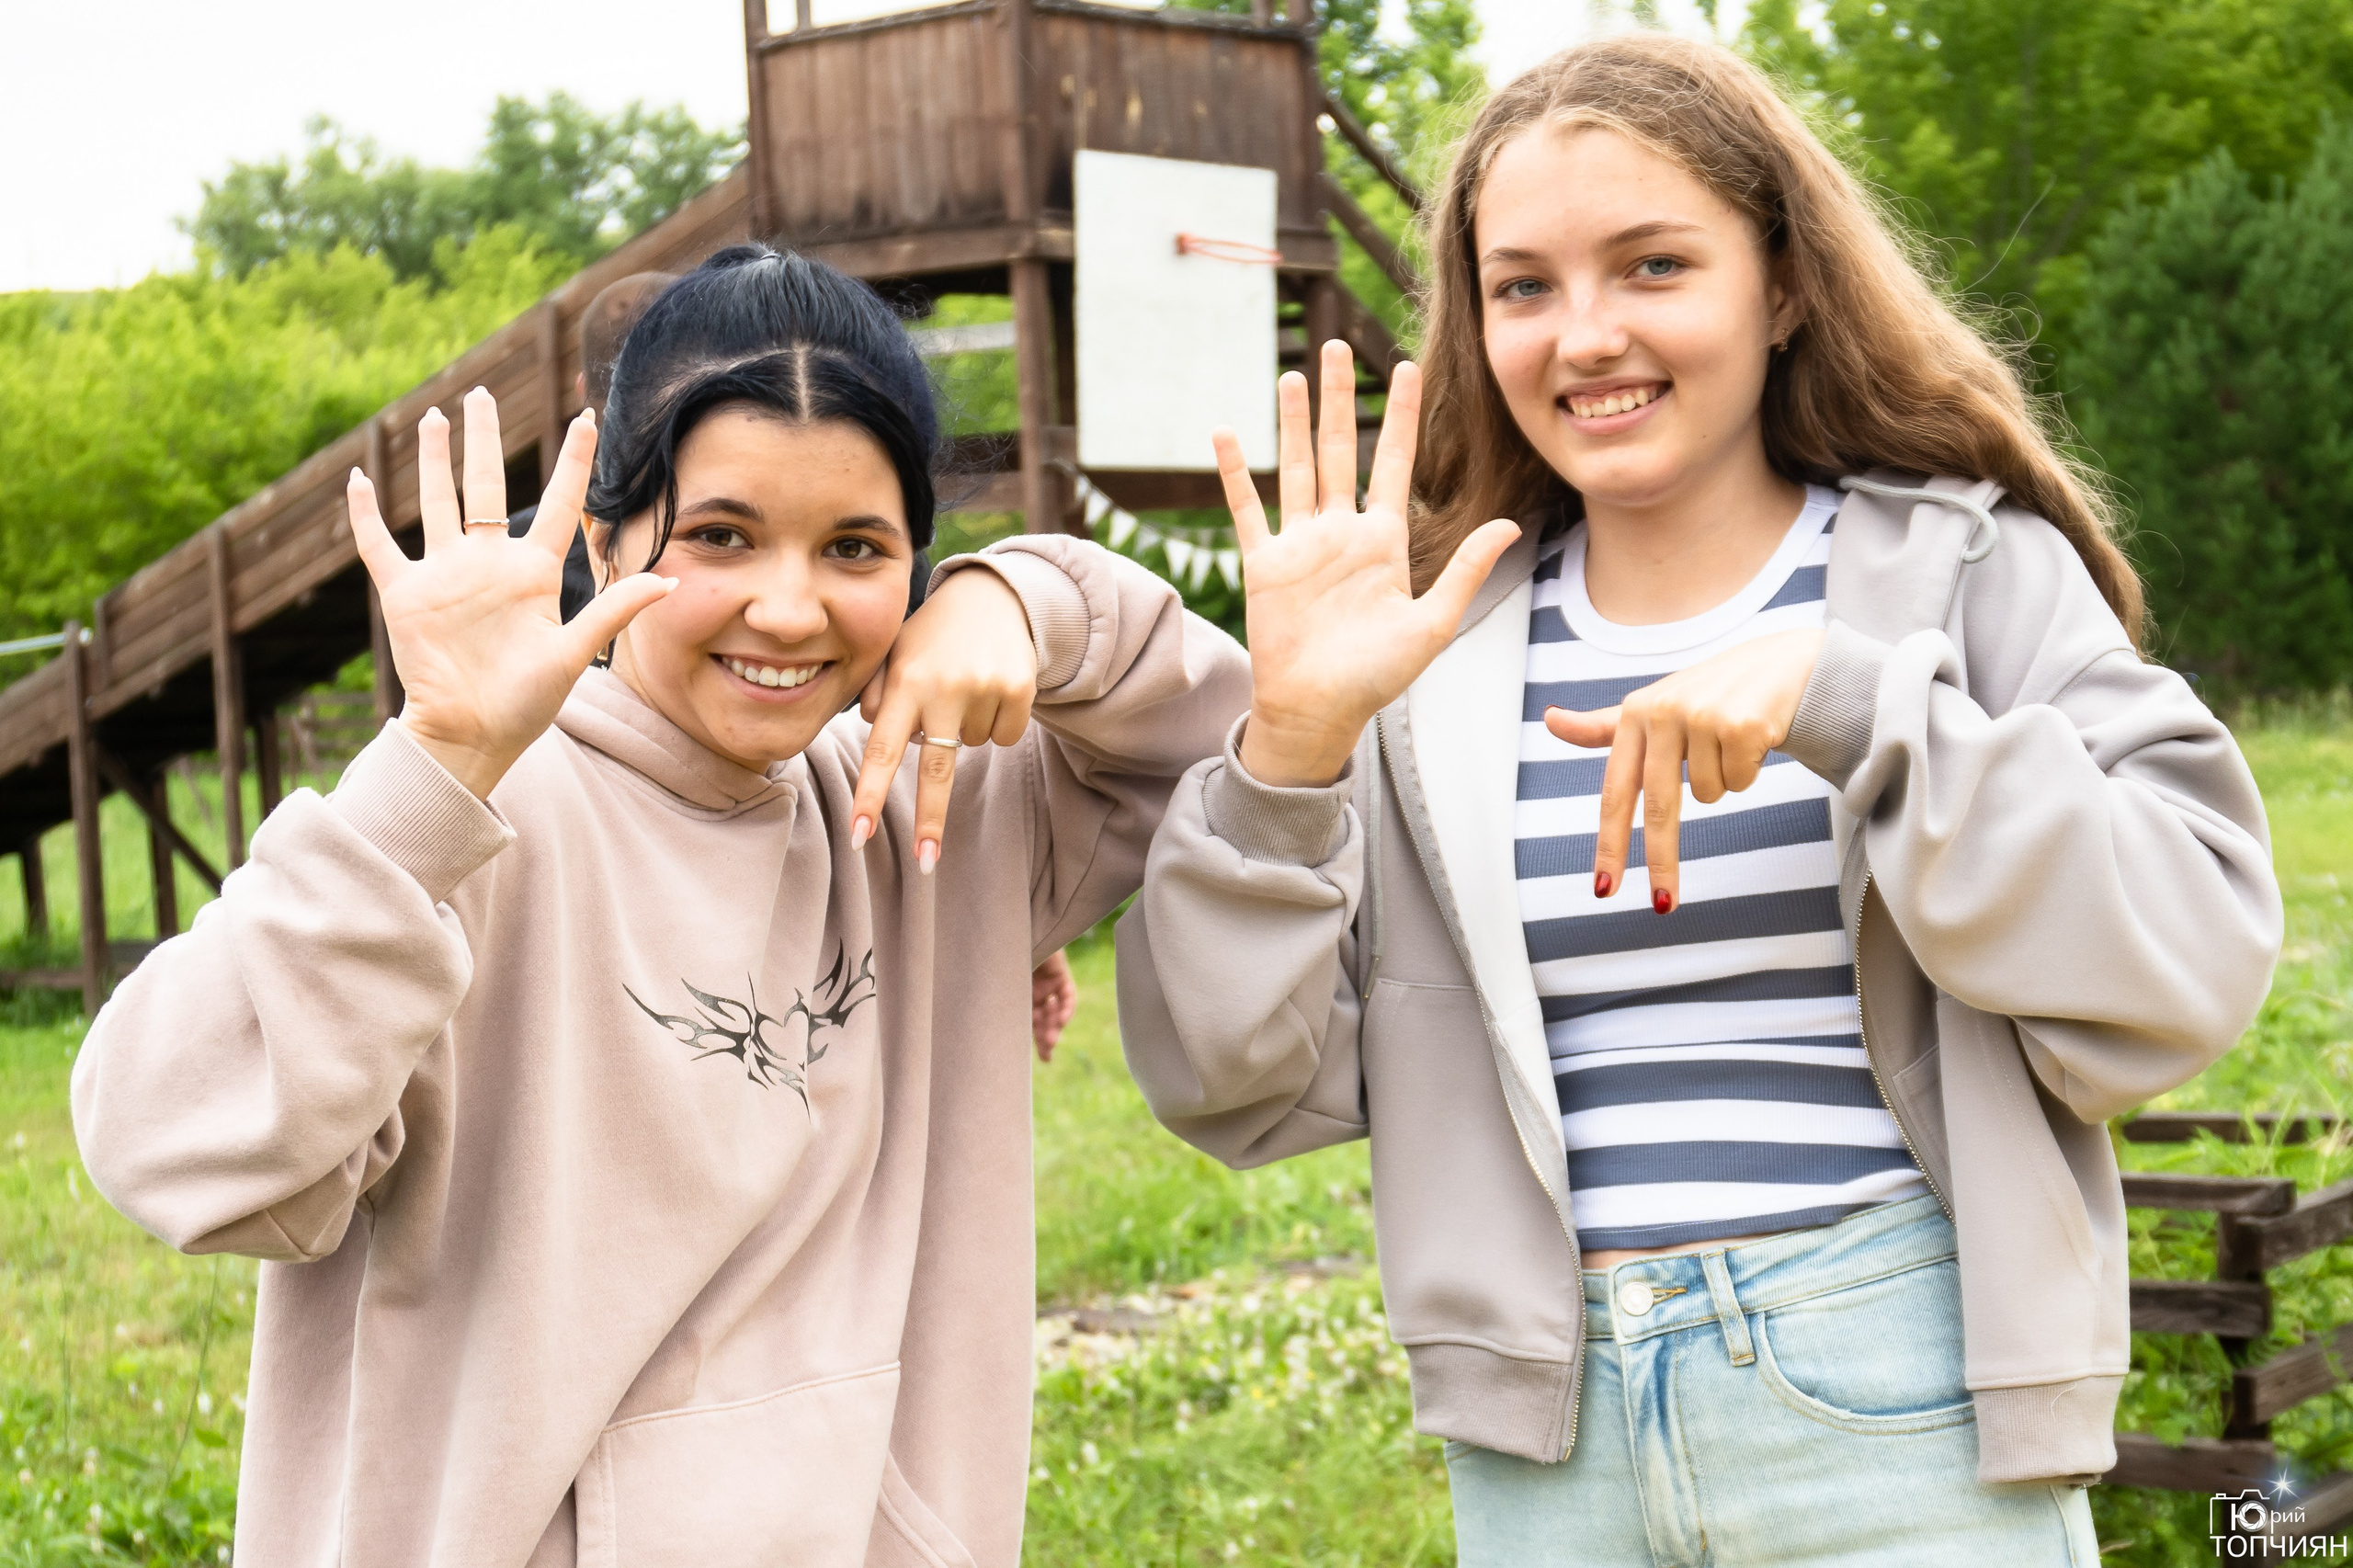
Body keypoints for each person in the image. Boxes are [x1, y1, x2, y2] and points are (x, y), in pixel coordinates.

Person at [1115, 34, 2281, 1566]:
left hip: (1898, 1399)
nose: (1583, 334)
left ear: (1782, 284)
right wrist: (1288, 752)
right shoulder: (1429, 653)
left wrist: (1845, 700)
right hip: (1550, 1445)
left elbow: (2192, 949)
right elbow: (1235, 1082)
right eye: (1522, 286)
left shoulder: (1962, 567)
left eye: (1653, 264)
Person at [72, 244, 1248, 1566]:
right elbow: (167, 1144)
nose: (789, 606)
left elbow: (1224, 751)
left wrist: (1022, 597)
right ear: (601, 535)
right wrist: (428, 776)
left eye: (857, 545)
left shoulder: (927, 803)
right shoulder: (472, 819)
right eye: (720, 537)